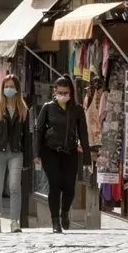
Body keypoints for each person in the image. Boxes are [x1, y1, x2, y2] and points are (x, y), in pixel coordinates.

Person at [33, 75, 91, 234]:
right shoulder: (48, 108)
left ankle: (65, 212)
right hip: (50, 151)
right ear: (54, 91)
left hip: (70, 151)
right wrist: (36, 152)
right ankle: (55, 221)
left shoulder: (77, 109)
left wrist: (87, 156)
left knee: (69, 187)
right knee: (55, 184)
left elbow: (83, 133)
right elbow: (39, 131)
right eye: (60, 92)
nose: (63, 95)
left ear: (71, 93)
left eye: (66, 92)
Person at [0, 74, 30, 233]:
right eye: (6, 86)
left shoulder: (23, 110)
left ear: (17, 89)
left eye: (12, 86)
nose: (9, 89)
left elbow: (27, 136)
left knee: (14, 186)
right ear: (2, 89)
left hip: (16, 153)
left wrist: (28, 158)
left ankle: (14, 221)